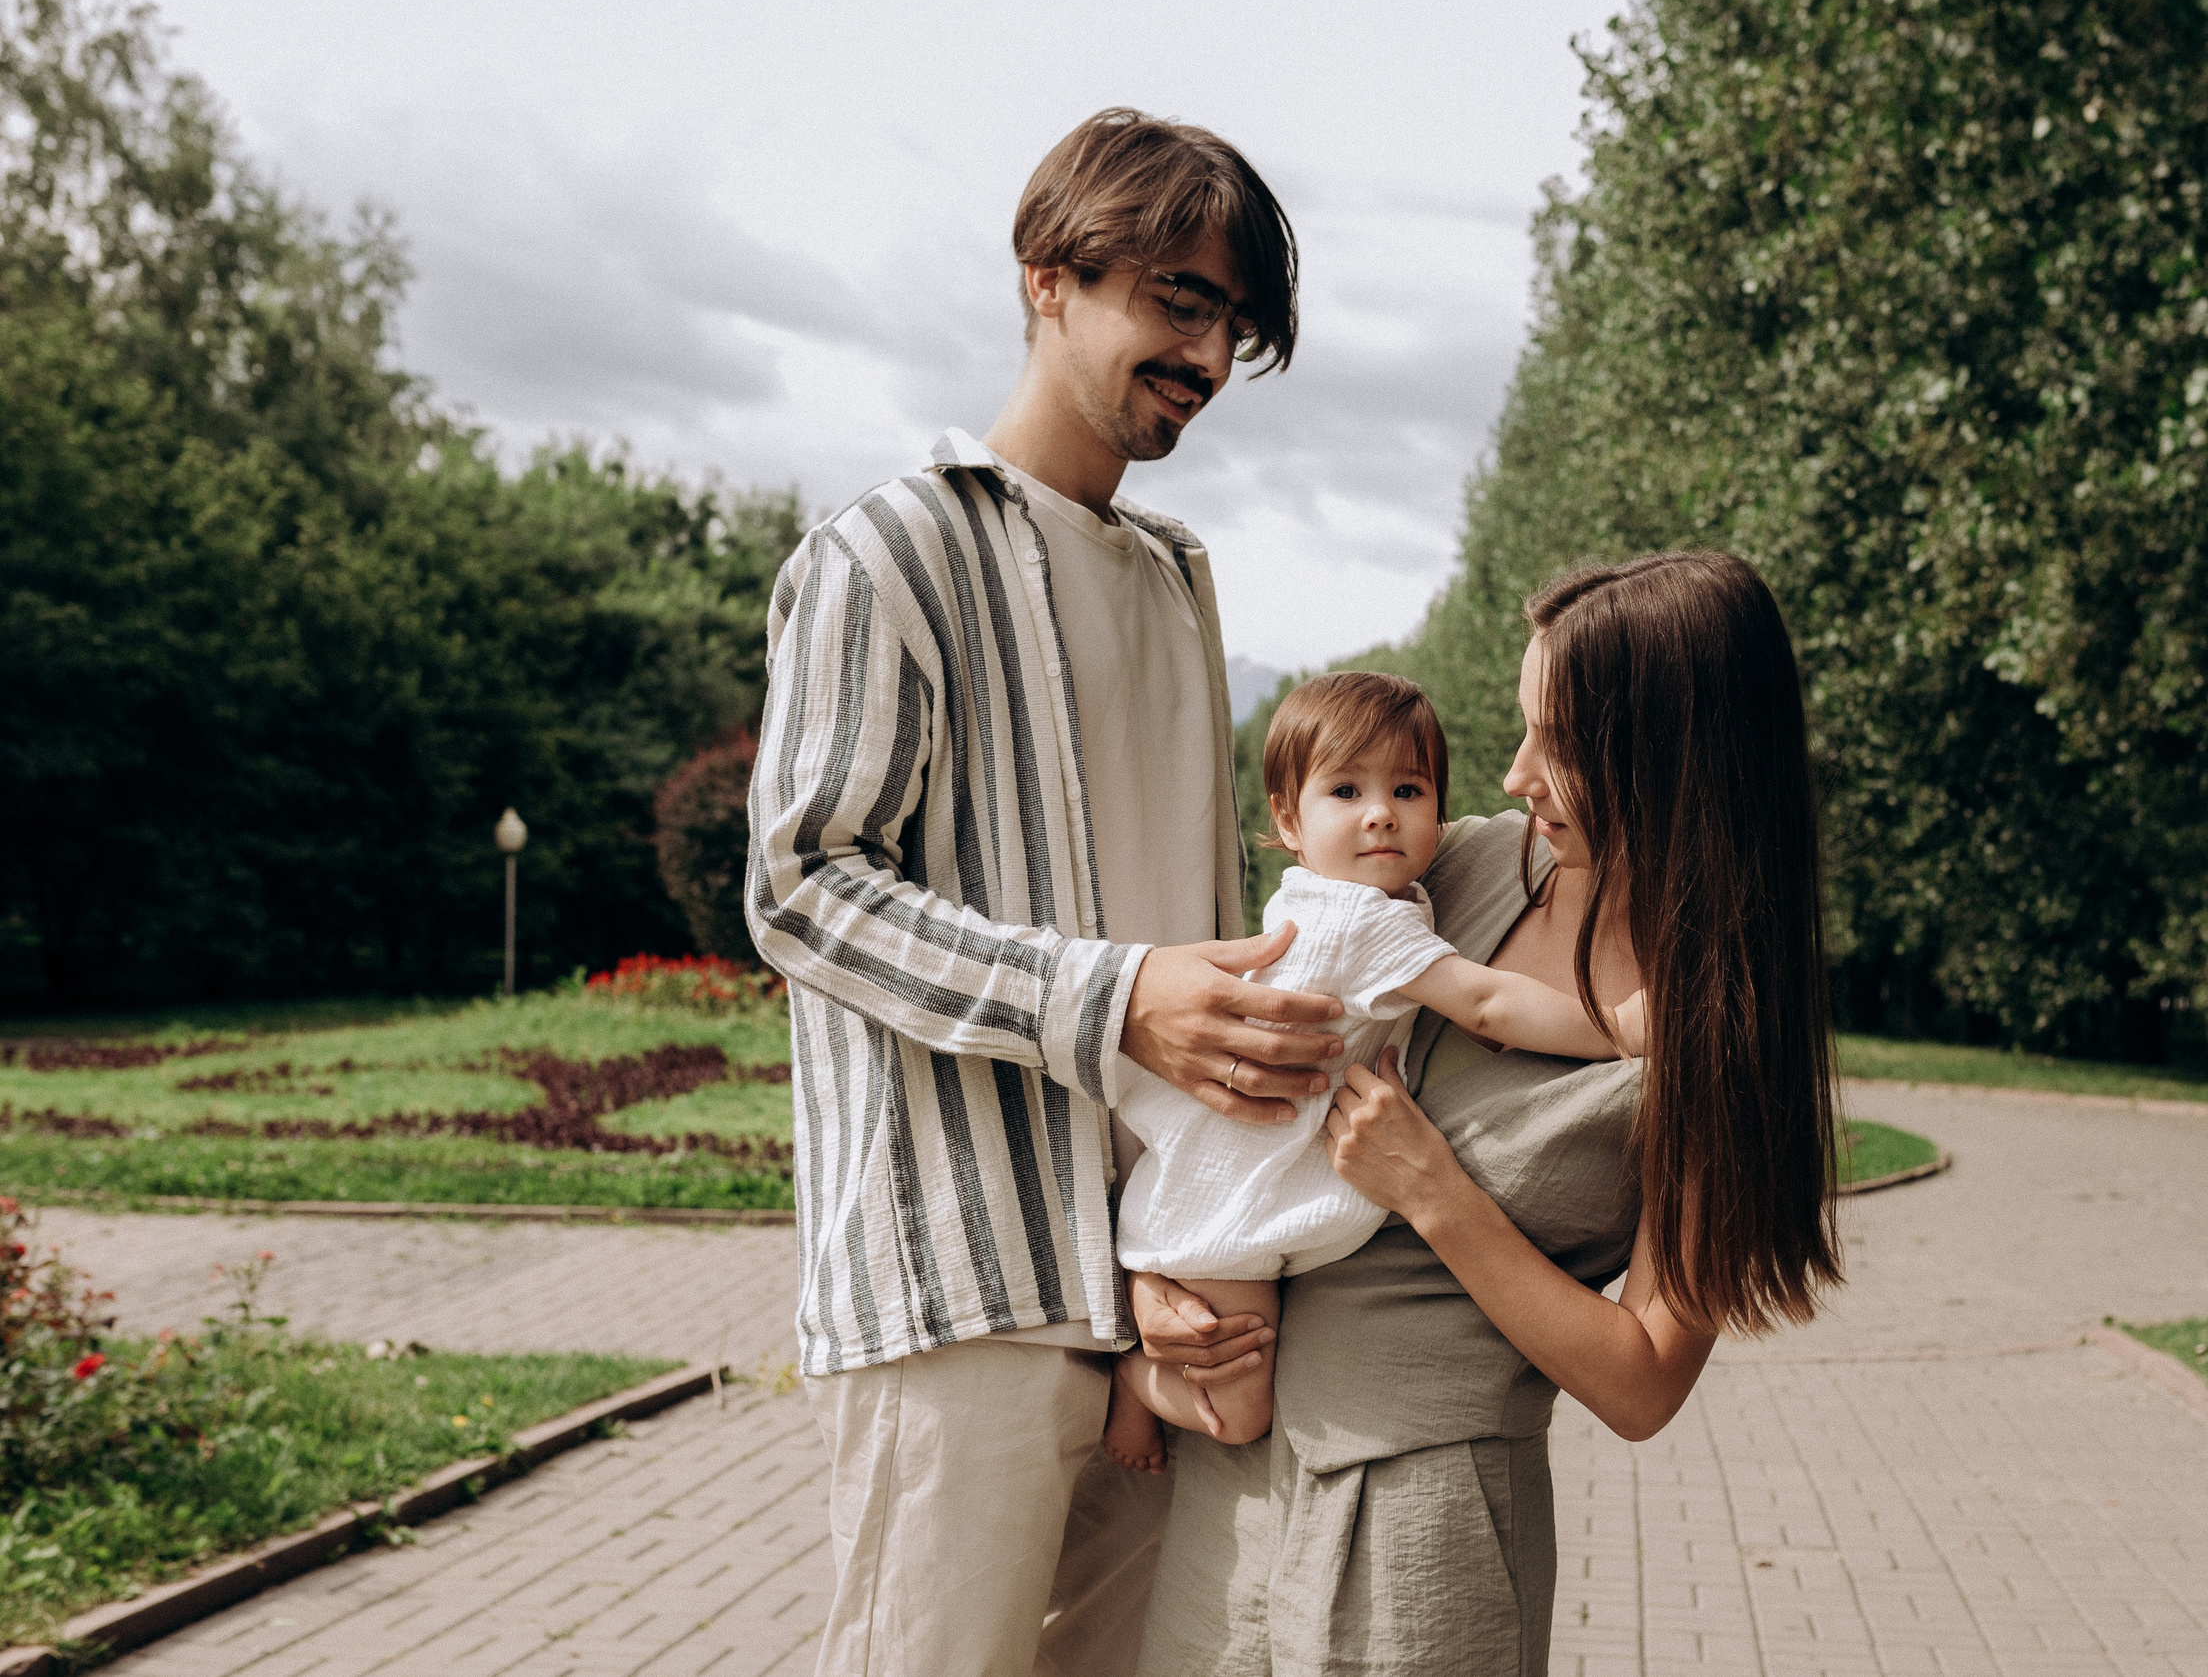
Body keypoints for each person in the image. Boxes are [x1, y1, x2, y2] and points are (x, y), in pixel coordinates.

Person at [745, 108, 1334, 1677]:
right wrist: (1111, 991)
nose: (1206, 359)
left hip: (1162, 1293)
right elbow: (802, 884)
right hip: (964, 1291)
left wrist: (1205, 1249)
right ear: (1045, 280)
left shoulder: (1180, 580)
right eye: (1179, 302)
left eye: (1232, 326)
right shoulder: (886, 554)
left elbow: (1208, 919)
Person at [1132, 550, 1845, 1677]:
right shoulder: (1455, 868)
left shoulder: (1722, 1041)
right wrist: (1162, 1277)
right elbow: (1243, 1078)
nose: (1517, 775)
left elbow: (1642, 1379)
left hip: (1425, 1516)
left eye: (1557, 742)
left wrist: (1435, 1190)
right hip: (1241, 1471)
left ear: (1671, 757)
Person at [1102, 671, 1639, 1474]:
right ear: (1287, 818)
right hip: (1231, 1207)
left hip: (1230, 1174)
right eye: (1346, 790)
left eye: (1409, 789)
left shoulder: (1328, 897)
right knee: (1241, 1408)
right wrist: (1619, 1028)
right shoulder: (1360, 921)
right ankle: (1133, 1384)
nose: (1381, 811)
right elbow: (1488, 1004)